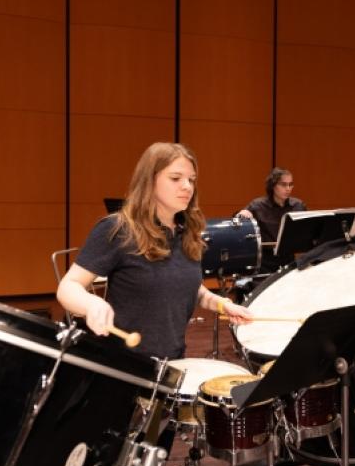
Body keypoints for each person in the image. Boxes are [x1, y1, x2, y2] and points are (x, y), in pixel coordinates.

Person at [57, 142, 252, 360]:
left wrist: (222, 304)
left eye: (191, 180)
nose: (187, 186)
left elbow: (189, 287)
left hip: (172, 360)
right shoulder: (118, 229)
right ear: (150, 180)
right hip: (124, 366)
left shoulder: (187, 232)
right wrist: (92, 303)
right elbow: (68, 287)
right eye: (176, 178)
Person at [237, 167, 306, 273]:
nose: (288, 188)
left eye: (290, 184)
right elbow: (238, 219)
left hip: (289, 259)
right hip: (265, 262)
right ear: (273, 185)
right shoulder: (258, 205)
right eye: (283, 184)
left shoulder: (298, 205)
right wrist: (242, 214)